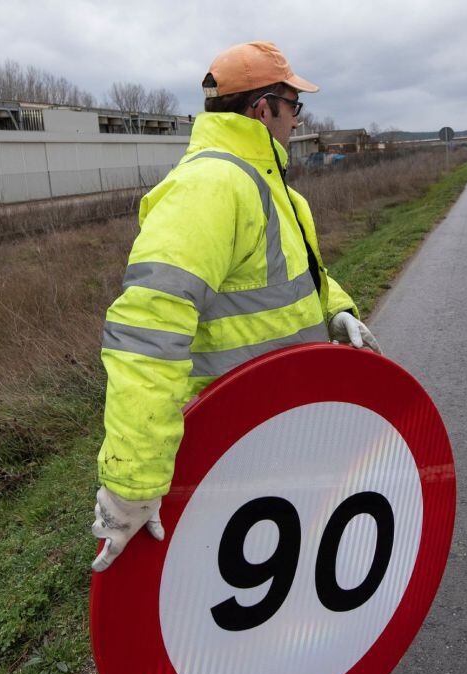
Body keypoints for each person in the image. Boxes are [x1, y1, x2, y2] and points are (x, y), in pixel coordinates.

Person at [91, 41, 380, 572]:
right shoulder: (210, 186)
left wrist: (336, 310)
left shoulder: (276, 192)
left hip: (286, 428)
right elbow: (148, 332)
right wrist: (131, 484)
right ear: (263, 108)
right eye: (294, 106)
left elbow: (298, 279)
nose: (297, 119)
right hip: (229, 450)